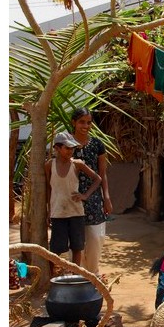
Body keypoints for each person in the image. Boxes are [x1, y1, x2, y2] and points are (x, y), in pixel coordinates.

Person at [45, 131, 102, 267]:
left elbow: (97, 179)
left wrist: (85, 196)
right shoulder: (49, 165)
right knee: (56, 249)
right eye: (67, 148)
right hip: (58, 213)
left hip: (76, 212)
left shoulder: (77, 164)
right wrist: (49, 210)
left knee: (77, 247)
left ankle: (75, 275)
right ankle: (53, 277)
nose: (70, 151)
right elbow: (49, 188)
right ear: (57, 148)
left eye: (72, 148)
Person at [70, 107, 113, 277]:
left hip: (94, 198)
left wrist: (106, 198)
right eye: (82, 122)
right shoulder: (65, 144)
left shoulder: (97, 144)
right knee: (76, 241)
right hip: (71, 198)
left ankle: (93, 275)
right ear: (74, 122)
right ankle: (79, 277)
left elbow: (102, 174)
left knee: (95, 238)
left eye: (89, 122)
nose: (85, 125)